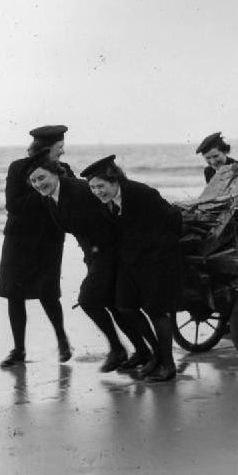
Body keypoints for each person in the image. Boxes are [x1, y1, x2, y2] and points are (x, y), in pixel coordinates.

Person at [24, 150, 155, 373]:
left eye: (42, 178)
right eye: (34, 181)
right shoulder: (50, 198)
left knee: (89, 300)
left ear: (55, 173)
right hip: (94, 254)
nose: (38, 184)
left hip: (111, 251)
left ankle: (121, 349)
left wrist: (105, 256)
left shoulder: (79, 190)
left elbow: (109, 218)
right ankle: (141, 352)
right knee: (114, 305)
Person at [81, 155, 183, 382]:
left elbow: (173, 218)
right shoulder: (107, 203)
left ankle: (168, 365)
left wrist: (160, 250)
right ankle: (156, 354)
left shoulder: (140, 193)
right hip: (131, 261)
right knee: (125, 306)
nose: (98, 191)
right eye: (93, 188)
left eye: (101, 186)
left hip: (157, 260)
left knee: (156, 311)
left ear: (114, 180)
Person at [0, 125, 73, 368]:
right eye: (59, 148)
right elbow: (13, 205)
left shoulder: (65, 170)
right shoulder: (18, 168)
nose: (62, 152)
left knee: (49, 293)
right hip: (19, 240)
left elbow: (71, 203)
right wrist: (44, 188)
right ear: (47, 148)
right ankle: (18, 350)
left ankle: (62, 340)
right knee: (14, 294)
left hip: (49, 239)